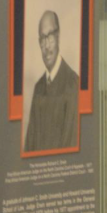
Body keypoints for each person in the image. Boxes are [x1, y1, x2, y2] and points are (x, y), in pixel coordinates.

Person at [24, 10, 79, 152]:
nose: (47, 46)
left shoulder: (73, 84)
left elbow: (70, 149)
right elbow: (29, 146)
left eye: (50, 37)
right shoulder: (38, 88)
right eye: (43, 39)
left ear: (58, 36)